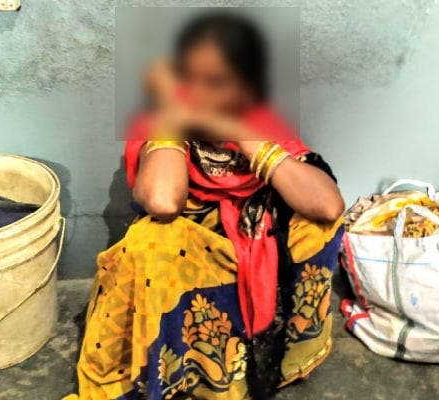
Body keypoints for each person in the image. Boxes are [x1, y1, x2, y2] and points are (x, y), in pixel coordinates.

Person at [65, 12, 344, 400]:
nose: (199, 94)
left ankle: (266, 361)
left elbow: (328, 206)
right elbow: (163, 201)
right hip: (194, 244)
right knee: (150, 243)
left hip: (254, 236)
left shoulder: (262, 123)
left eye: (217, 83)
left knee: (317, 228)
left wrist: (241, 134)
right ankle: (179, 372)